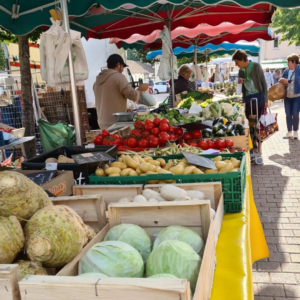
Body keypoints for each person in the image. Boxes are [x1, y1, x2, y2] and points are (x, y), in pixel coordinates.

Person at [94, 54, 146, 129]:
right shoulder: (118, 77)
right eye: (123, 67)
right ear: (118, 65)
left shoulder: (97, 81)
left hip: (101, 123)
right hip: (116, 123)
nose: (122, 70)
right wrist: (140, 88)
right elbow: (133, 96)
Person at [232, 49, 268, 154]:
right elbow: (241, 88)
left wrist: (266, 99)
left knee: (258, 123)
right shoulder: (241, 71)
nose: (236, 64)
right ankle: (252, 146)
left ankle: (259, 148)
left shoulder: (256, 66)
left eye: (237, 62)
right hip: (247, 99)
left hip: (259, 98)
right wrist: (239, 82)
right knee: (249, 124)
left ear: (243, 59)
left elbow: (264, 84)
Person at [279, 53, 300, 139]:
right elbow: (281, 79)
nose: (287, 64)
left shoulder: (299, 69)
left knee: (295, 114)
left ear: (294, 62)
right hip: (287, 96)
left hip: (297, 96)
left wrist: (291, 81)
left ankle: (295, 131)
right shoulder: (286, 71)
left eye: (288, 62)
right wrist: (282, 80)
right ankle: (289, 132)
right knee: (288, 114)